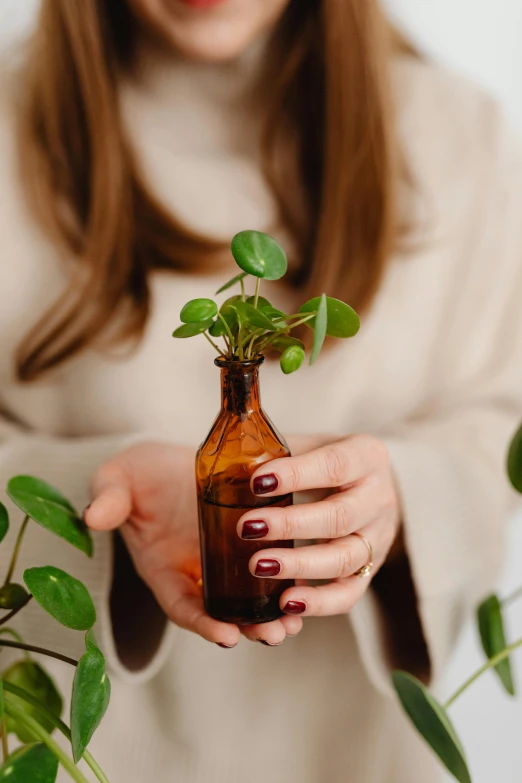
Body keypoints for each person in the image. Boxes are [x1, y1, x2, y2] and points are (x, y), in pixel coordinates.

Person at [0, 0, 521, 781]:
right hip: (79, 753)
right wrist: (93, 496)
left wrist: (394, 497)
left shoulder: (459, 140)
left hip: (353, 756)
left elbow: (499, 423)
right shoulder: (12, 131)